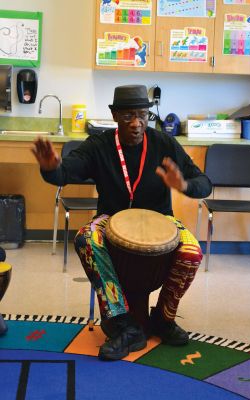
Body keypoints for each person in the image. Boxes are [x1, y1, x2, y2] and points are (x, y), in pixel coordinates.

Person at [32, 85, 212, 361]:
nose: (137, 123)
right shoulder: (99, 145)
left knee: (192, 252)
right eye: (129, 116)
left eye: (142, 115)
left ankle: (163, 318)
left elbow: (204, 183)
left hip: (161, 220)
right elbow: (67, 170)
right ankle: (124, 325)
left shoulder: (164, 143)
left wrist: (184, 184)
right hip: (110, 219)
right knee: (85, 239)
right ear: (115, 115)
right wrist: (51, 168)